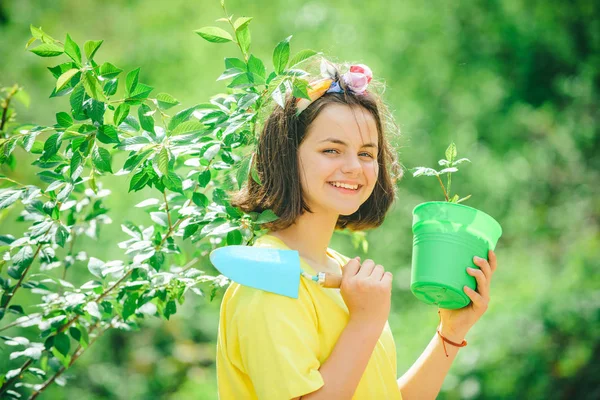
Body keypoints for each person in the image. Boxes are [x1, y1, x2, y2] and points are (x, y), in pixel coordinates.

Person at [216, 58, 498, 399]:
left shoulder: (336, 268)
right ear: (286, 156)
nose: (353, 167)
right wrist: (365, 322)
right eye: (331, 149)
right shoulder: (267, 282)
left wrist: (451, 331)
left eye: (367, 154)